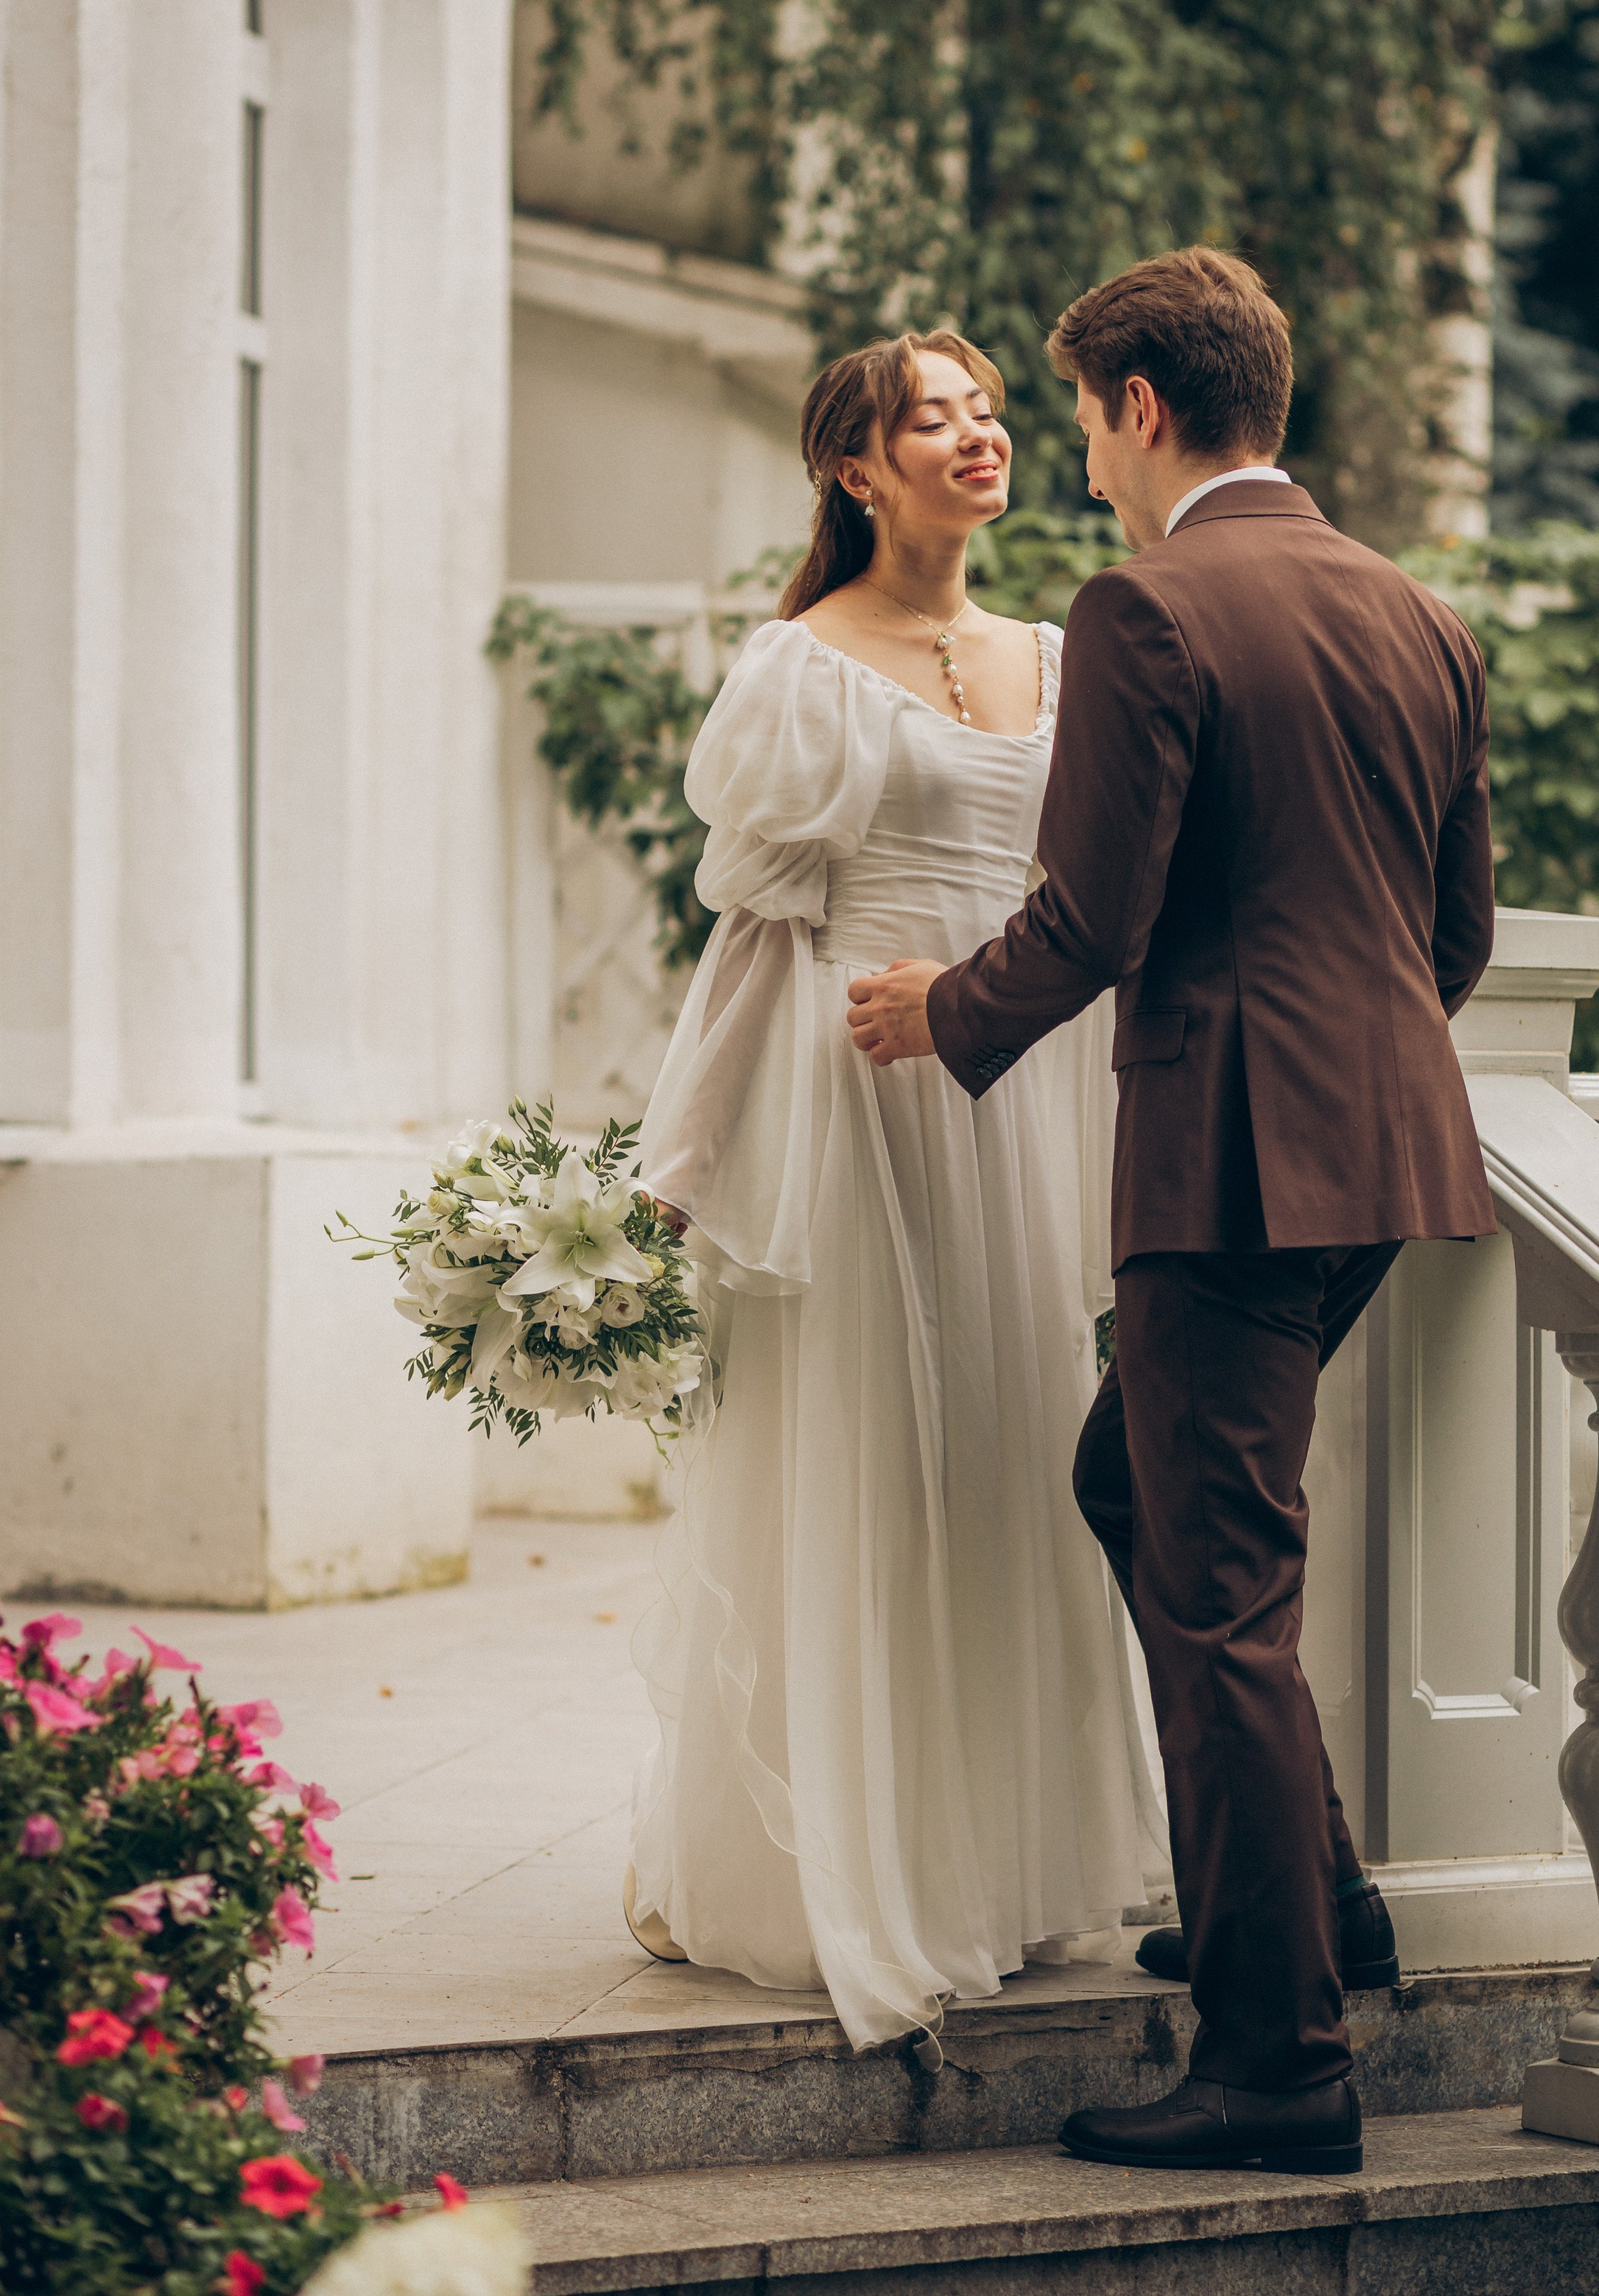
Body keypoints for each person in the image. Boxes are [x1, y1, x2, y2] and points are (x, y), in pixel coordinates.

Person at [846, 247, 1496, 2172]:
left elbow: (1097, 916)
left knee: (1221, 1600)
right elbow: (1449, 936)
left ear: (1137, 405)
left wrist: (937, 1009)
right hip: (1386, 1156)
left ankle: (1280, 2064)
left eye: (1079, 421)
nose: (1084, 465)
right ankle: (1319, 1911)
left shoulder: (1142, 606)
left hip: (1225, 1166)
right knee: (1137, 1483)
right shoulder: (1422, 609)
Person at [628, 328, 1170, 2053]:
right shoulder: (796, 664)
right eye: (935, 416)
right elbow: (753, 940)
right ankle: (859, 1871)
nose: (981, 434)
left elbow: (1090, 902)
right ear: (855, 468)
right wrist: (679, 1156)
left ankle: (1010, 1865)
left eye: (994, 408)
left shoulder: (1065, 651)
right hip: (855, 1095)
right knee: (882, 1468)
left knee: (1017, 1455)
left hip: (1008, 1090)